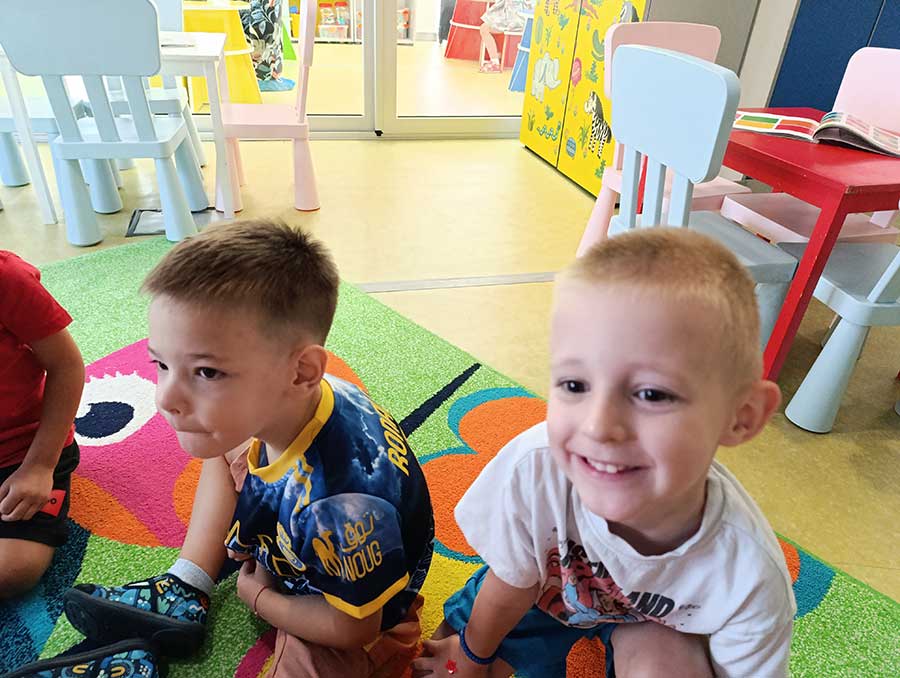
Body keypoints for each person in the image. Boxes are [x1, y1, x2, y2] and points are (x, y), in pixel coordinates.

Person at [12, 221, 434, 678]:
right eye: (161, 364)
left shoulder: (342, 506)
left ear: (302, 371)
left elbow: (352, 626)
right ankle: (187, 586)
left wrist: (261, 598)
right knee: (220, 434)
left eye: (207, 372)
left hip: (355, 615)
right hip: (303, 540)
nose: (165, 397)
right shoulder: (290, 400)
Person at [413, 229, 795, 678]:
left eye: (652, 394)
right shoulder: (535, 468)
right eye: (575, 385)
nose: (597, 427)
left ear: (741, 416)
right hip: (544, 593)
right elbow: (512, 582)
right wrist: (472, 656)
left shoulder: (748, 574)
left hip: (656, 625)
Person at [0, 250, 84, 599]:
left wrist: (39, 466)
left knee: (13, 570)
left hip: (25, 451)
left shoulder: (6, 278)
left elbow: (66, 366)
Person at [478, 1, 530, 74]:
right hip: (521, 18)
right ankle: (495, 59)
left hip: (515, 19)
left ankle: (495, 62)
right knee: (484, 28)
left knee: (484, 28)